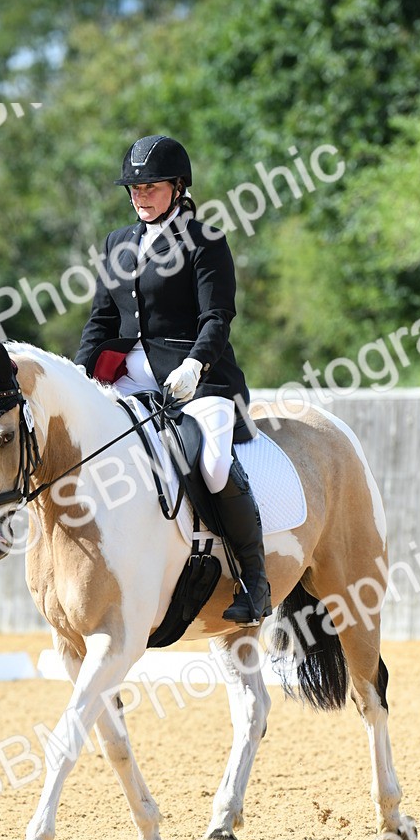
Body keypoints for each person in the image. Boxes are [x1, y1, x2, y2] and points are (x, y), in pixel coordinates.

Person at [74, 134, 271, 625]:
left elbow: (217, 317)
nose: (140, 196)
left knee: (212, 464)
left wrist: (195, 365)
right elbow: (101, 320)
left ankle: (254, 580)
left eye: (151, 187)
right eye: (134, 189)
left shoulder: (205, 240)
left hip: (197, 379)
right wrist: (81, 376)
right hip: (127, 379)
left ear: (178, 187)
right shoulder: (117, 243)